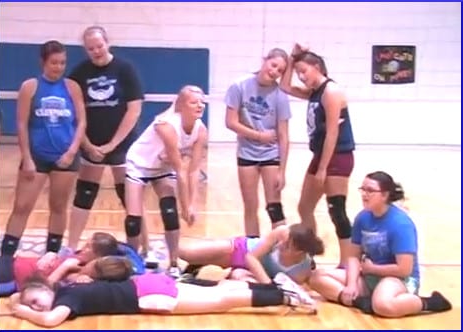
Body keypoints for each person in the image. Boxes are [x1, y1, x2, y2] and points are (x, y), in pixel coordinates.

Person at [309, 171, 452, 317]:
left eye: (370, 190)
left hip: (398, 279)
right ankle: (358, 301)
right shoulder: (362, 218)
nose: (364, 194)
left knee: (383, 305)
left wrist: (373, 269)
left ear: (384, 195)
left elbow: (404, 269)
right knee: (316, 277)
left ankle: (428, 302)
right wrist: (351, 284)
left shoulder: (401, 224)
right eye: (363, 189)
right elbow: (353, 256)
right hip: (369, 275)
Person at [8, 263, 315, 327]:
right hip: (149, 283)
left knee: (222, 300)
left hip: (149, 297)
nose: (37, 306)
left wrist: (23, 312)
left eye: (36, 300)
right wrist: (20, 299)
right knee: (223, 290)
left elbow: (49, 321)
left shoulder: (66, 300)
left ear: (47, 292)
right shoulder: (66, 288)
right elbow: (40, 294)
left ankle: (283, 296)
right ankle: (275, 287)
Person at [66, 25, 149, 254]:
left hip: (122, 143)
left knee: (129, 196)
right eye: (91, 48)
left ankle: (145, 248)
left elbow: (134, 110)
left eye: (99, 46)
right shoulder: (79, 74)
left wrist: (112, 144)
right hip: (91, 144)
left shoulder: (125, 69)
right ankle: (70, 247)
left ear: (107, 43)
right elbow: (74, 114)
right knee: (84, 193)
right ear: (85, 49)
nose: (96, 51)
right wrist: (87, 145)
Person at [0, 40, 86, 258]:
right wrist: (27, 158)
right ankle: (6, 258)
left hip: (66, 158)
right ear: (43, 62)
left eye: (62, 63)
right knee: (22, 206)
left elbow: (82, 122)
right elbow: (21, 123)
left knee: (58, 206)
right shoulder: (30, 86)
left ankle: (51, 257)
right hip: (37, 156)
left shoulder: (72, 87)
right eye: (54, 62)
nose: (58, 67)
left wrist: (71, 152)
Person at [280, 43, 355, 267]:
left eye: (304, 71)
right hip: (320, 155)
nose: (301, 77)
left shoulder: (331, 91)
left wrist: (323, 168)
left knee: (337, 211)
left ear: (318, 67)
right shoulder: (315, 92)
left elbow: (333, 133)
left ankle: (347, 262)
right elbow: (284, 87)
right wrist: (292, 60)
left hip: (337, 156)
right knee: (304, 208)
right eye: (299, 72)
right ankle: (309, 256)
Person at [123, 85, 208, 278]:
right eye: (194, 102)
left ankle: (174, 262)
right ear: (181, 106)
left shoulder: (201, 130)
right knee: (133, 220)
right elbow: (180, 169)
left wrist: (190, 205)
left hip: (162, 167)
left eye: (202, 102)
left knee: (169, 211)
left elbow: (194, 170)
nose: (199, 105)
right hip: (140, 163)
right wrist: (185, 206)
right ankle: (133, 262)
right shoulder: (167, 126)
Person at [224, 48, 291, 237]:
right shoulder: (239, 86)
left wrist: (282, 171)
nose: (275, 72)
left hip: (271, 155)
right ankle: (253, 248)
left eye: (280, 71)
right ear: (265, 60)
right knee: (250, 206)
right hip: (247, 153)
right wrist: (259, 136)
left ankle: (281, 250)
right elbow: (230, 122)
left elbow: (284, 136)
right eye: (273, 65)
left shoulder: (280, 96)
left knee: (274, 207)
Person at [179, 223, 324, 287]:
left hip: (249, 271)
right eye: (282, 242)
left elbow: (284, 284)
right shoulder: (282, 232)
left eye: (286, 246)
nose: (280, 245)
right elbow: (251, 257)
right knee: (188, 254)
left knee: (240, 280)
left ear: (299, 251)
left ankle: (201, 270)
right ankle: (164, 247)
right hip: (240, 250)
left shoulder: (301, 271)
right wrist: (267, 284)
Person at [0, 232, 119, 296]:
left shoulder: (81, 272)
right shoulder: (78, 256)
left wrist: (65, 266)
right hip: (14, 261)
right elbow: (61, 255)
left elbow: (45, 287)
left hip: (12, 275)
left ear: (98, 256)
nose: (83, 248)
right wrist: (52, 254)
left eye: (88, 247)